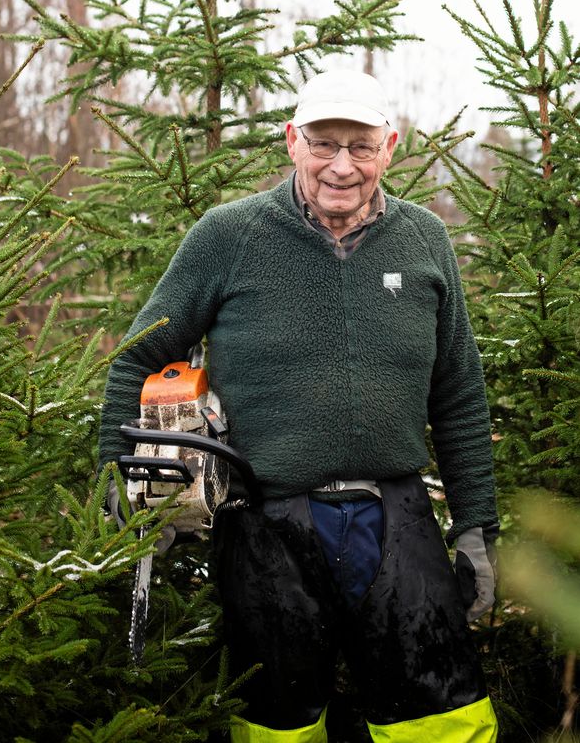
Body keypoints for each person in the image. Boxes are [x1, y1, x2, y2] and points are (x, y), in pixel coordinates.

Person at [100, 70, 500, 743]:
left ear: (388, 148)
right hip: (264, 524)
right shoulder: (228, 236)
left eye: (360, 146)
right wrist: (128, 485)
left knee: (441, 716)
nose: (340, 165)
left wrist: (474, 527)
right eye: (322, 143)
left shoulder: (423, 237)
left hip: (394, 515)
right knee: (276, 722)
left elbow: (457, 391)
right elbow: (135, 358)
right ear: (291, 142)